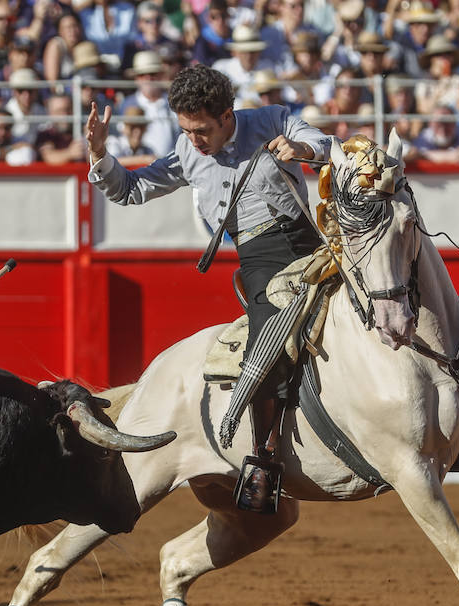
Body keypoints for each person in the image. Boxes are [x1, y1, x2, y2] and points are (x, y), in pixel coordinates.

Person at [85, 66, 331, 512]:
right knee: (267, 341)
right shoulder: (187, 151)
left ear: (226, 115)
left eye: (201, 130)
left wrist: (302, 148)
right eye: (186, 130)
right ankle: (263, 459)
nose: (195, 140)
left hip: (311, 241)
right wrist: (100, 153)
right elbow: (132, 189)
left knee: (385, 289)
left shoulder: (272, 121)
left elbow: (326, 145)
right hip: (259, 259)